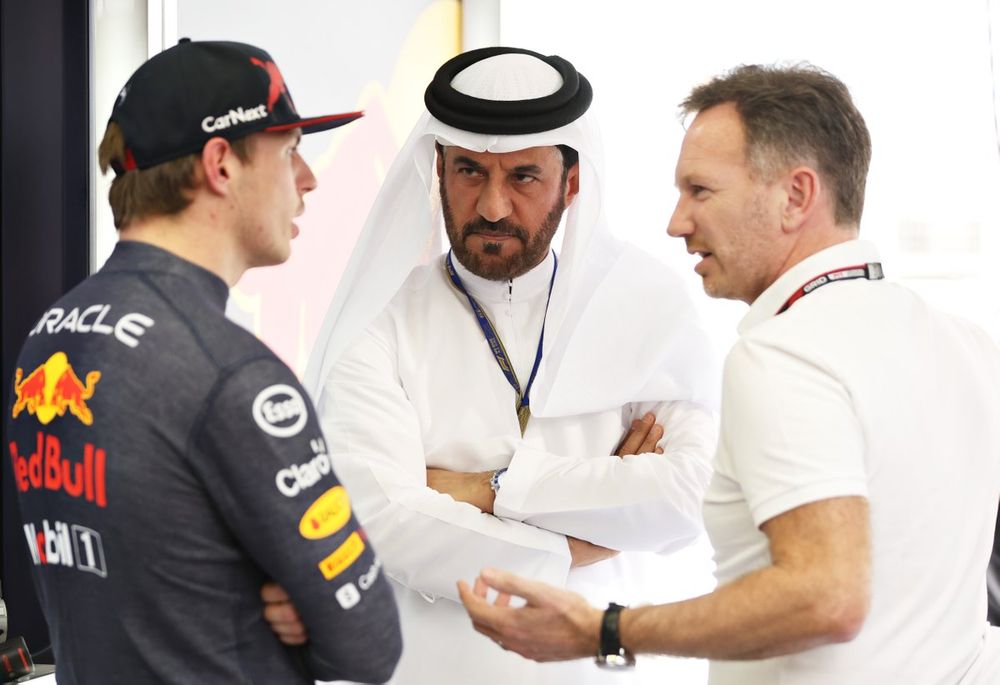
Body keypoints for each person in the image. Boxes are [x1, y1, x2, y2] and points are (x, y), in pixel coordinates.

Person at [458, 63, 1000, 684]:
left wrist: (603, 630)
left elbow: (825, 598)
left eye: (701, 191)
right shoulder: (970, 344)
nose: (676, 221)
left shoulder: (787, 356)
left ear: (795, 196)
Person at [263, 47, 720, 684]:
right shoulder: (382, 320)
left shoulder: (645, 306)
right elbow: (381, 516)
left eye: (524, 177)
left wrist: (486, 491)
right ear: (438, 171)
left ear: (573, 180)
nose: (493, 207)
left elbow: (690, 493)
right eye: (470, 172)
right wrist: (581, 534)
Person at [5, 39, 401, 684]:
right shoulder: (233, 375)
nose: (308, 179)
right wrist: (284, 597)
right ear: (221, 163)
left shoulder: (50, 336)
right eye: (290, 152)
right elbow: (368, 642)